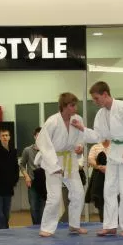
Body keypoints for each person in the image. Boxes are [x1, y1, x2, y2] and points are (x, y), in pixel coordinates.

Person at [72, 81, 123, 238]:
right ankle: (110, 225)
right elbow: (99, 136)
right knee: (109, 189)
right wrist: (82, 129)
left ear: (105, 94)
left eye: (96, 98)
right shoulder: (101, 114)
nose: (95, 102)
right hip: (113, 152)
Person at [35, 93, 87, 237]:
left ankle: (74, 225)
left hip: (70, 159)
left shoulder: (77, 119)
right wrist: (54, 165)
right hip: (54, 159)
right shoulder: (52, 121)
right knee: (55, 197)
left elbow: (81, 137)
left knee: (78, 193)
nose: (75, 108)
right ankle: (46, 228)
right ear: (64, 106)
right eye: (72, 105)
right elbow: (42, 143)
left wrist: (79, 147)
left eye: (75, 105)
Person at [19, 127, 46, 226]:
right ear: (34, 136)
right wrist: (26, 176)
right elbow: (21, 164)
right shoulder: (27, 150)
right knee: (34, 207)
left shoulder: (47, 150)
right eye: (38, 135)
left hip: (44, 183)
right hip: (32, 182)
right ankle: (36, 227)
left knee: (43, 207)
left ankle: (43, 227)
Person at [85, 140, 109, 222]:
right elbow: (90, 159)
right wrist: (99, 167)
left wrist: (109, 168)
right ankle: (103, 221)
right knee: (100, 199)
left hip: (113, 175)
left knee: (114, 198)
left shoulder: (114, 146)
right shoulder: (95, 147)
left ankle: (115, 222)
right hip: (98, 176)